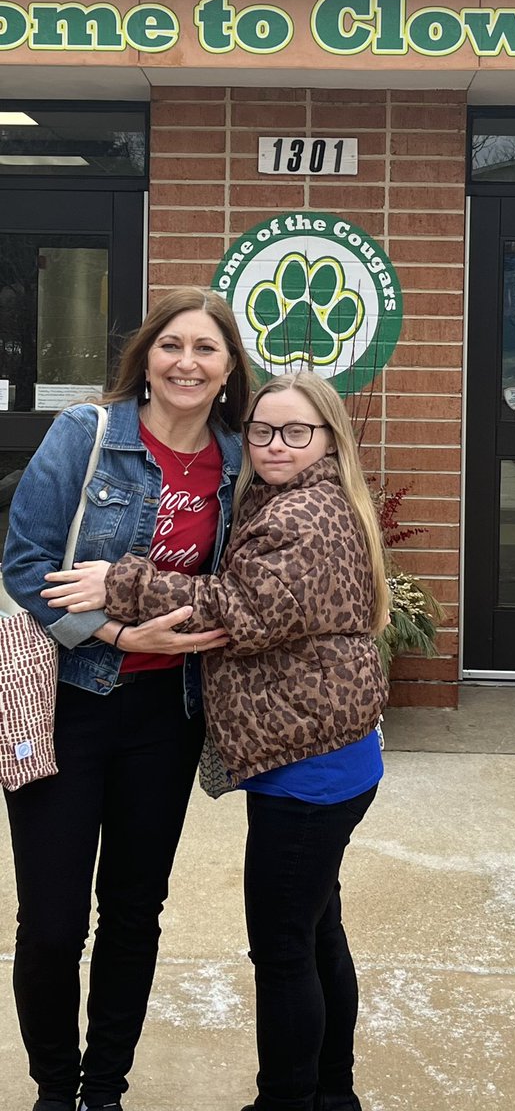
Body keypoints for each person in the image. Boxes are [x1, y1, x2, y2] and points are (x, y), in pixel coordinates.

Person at [43, 370, 392, 1111]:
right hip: (322, 750)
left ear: (328, 439)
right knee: (316, 929)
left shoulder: (306, 515)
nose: (275, 444)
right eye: (263, 430)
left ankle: (289, 1100)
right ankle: (334, 1093)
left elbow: (237, 609)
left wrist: (120, 581)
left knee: (284, 947)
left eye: (297, 432)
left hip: (309, 765)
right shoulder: (290, 498)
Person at [2, 286, 254, 1111]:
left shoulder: (238, 461)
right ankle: (54, 1089)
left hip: (168, 717)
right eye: (171, 345)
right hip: (70, 704)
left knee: (134, 911)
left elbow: (244, 583)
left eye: (205, 350)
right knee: (50, 925)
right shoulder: (88, 433)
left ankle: (105, 1086)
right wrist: (115, 636)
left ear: (227, 371)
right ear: (145, 356)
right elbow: (24, 562)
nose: (187, 362)